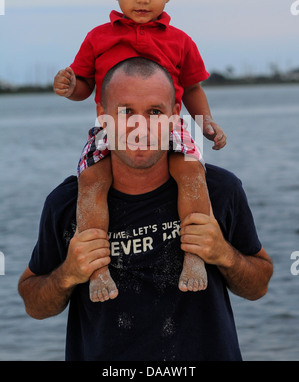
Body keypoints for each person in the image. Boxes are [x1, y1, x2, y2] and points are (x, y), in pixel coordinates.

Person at [19, 58, 273, 361]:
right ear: (102, 116)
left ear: (175, 116)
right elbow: (34, 303)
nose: (141, 127)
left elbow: (258, 285)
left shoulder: (218, 191)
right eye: (125, 112)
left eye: (155, 112)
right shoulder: (66, 203)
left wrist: (224, 254)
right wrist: (68, 274)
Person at [52, 0, 226, 302]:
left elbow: (192, 88)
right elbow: (85, 85)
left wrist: (206, 121)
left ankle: (194, 256)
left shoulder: (179, 41)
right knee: (91, 183)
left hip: (170, 126)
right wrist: (70, 88)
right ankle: (97, 269)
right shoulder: (98, 38)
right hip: (112, 128)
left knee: (192, 173)